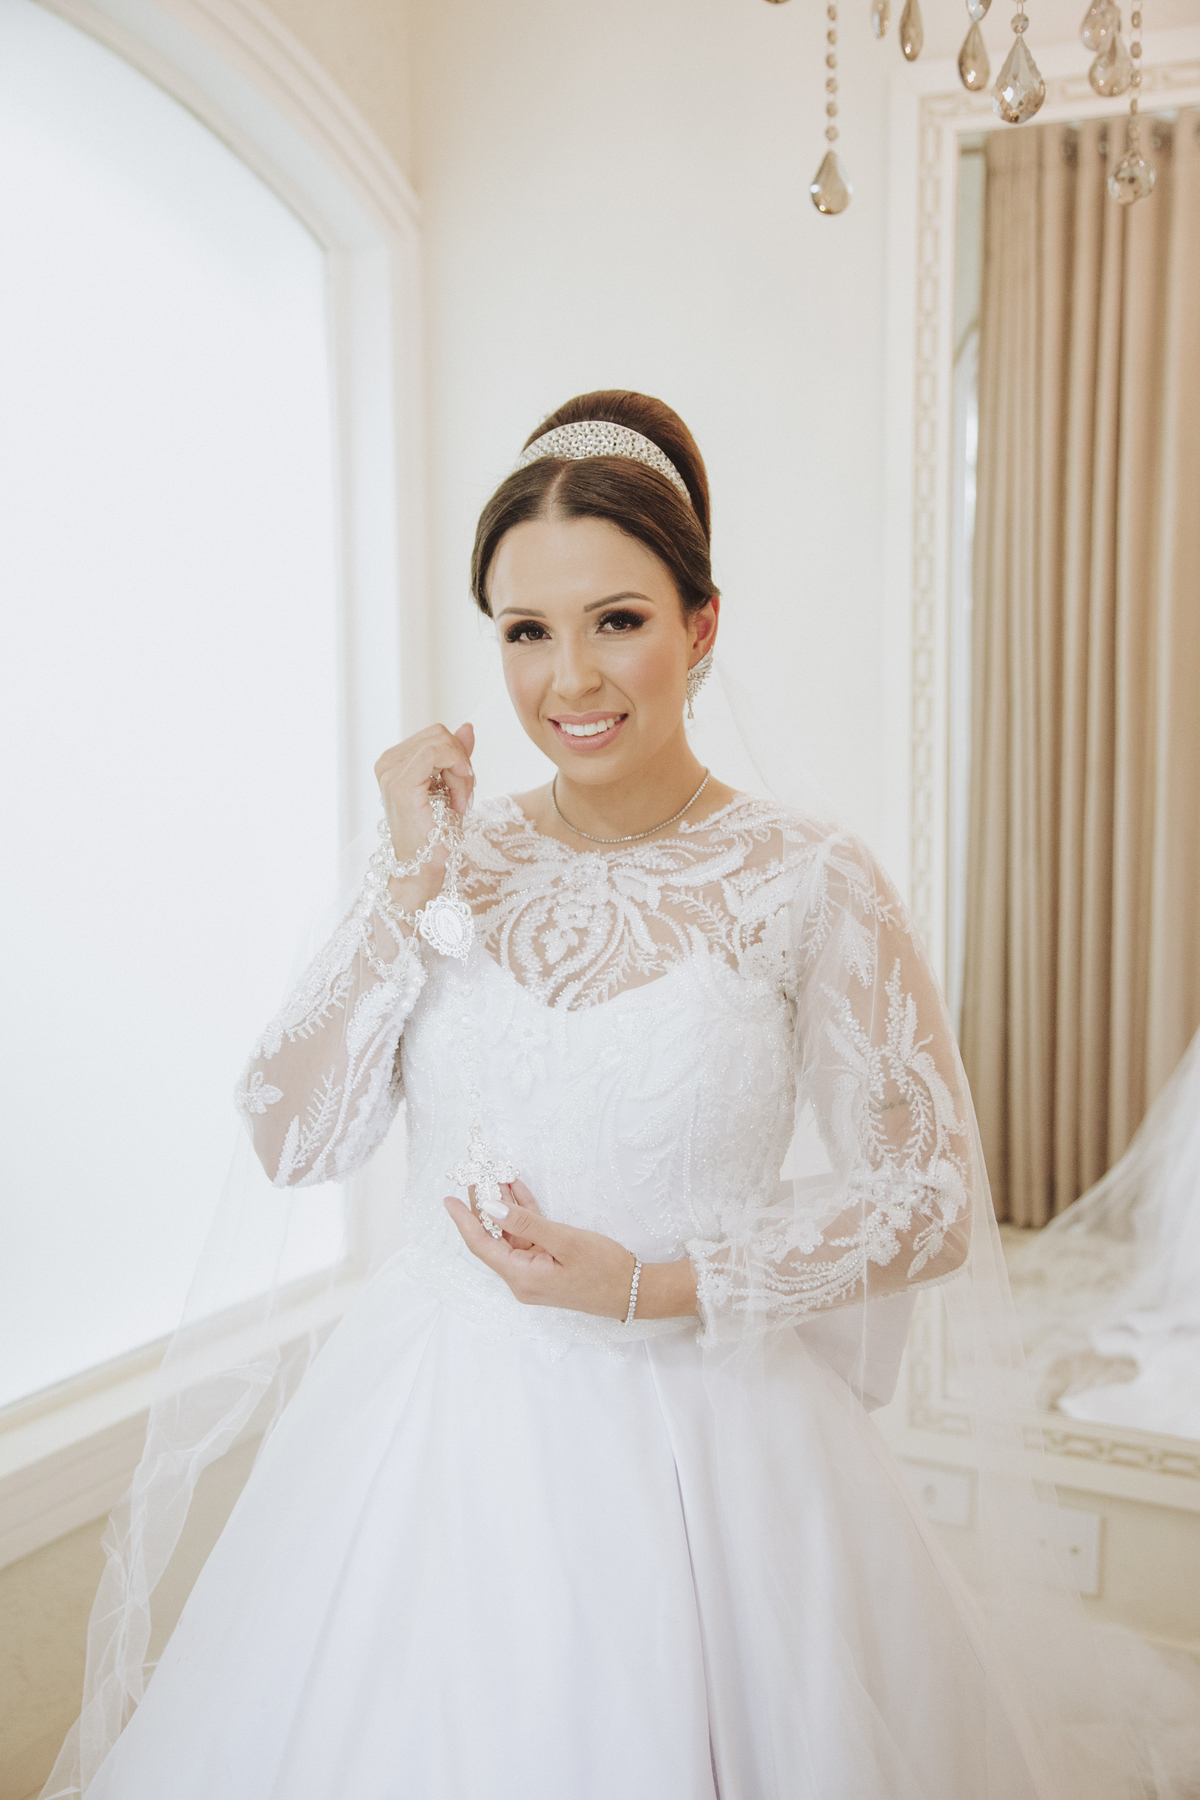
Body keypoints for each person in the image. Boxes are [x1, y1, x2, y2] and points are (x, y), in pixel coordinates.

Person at [58, 392, 1150, 1799]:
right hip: (430, 1440)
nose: (569, 679)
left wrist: (652, 1286)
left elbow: (930, 1200)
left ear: (701, 626)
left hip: (712, 1450)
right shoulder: (441, 863)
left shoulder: (808, 878)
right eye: (526, 631)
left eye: (616, 620)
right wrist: (404, 886)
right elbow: (289, 1136)